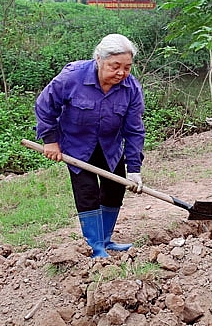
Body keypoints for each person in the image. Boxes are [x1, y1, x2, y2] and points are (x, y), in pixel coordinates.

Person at [35, 34, 145, 258]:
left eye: (127, 67)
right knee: (87, 193)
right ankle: (95, 247)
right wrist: (50, 140)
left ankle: (106, 240)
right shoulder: (72, 77)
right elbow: (45, 106)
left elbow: (134, 130)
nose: (121, 73)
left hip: (110, 147)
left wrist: (134, 169)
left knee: (115, 190)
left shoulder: (131, 88)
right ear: (98, 59)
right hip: (76, 147)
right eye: (115, 66)